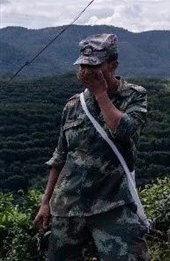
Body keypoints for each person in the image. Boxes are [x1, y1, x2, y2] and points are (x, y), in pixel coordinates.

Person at [33, 33, 149, 261]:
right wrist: (45, 203)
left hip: (112, 205)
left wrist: (101, 94)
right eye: (83, 66)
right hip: (68, 206)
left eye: (93, 66)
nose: (86, 72)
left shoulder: (133, 96)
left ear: (113, 65)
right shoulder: (73, 105)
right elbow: (60, 156)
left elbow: (123, 130)